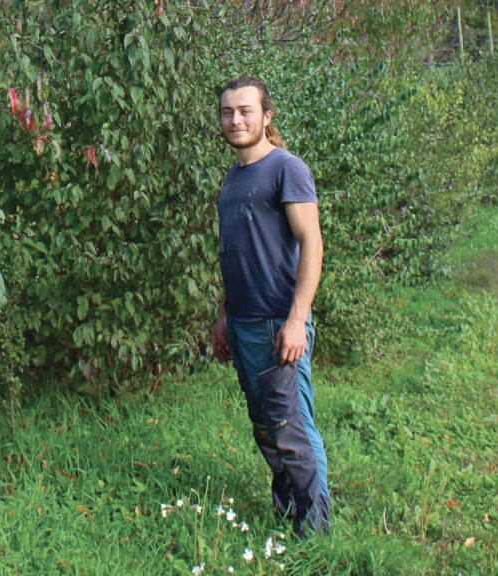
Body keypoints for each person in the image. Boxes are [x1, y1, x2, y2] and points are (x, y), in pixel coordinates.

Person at [211, 76, 330, 538]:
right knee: (266, 426)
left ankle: (315, 533)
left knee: (293, 428)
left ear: (266, 116)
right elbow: (236, 250)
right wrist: (223, 315)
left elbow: (312, 243)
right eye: (227, 112)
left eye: (245, 111)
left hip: (280, 322)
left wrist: (297, 320)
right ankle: (288, 513)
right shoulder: (233, 177)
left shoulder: (287, 168)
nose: (235, 120)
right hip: (242, 323)